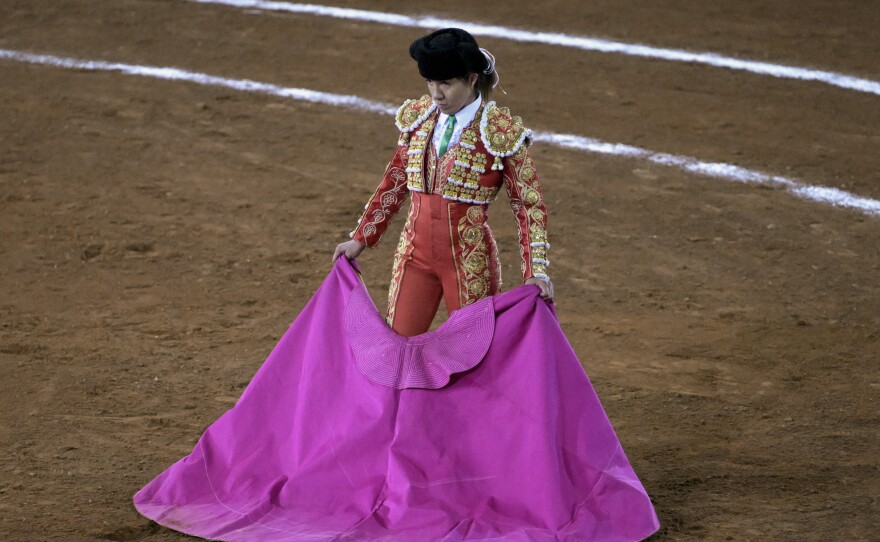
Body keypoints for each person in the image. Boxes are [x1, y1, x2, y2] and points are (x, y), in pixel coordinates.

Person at [332, 27, 554, 337]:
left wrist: (536, 271)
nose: (436, 94)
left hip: (469, 261)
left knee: (475, 355)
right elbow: (396, 180)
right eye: (430, 83)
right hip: (414, 256)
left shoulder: (501, 134)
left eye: (446, 84)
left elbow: (528, 204)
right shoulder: (419, 120)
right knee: (398, 346)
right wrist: (362, 237)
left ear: (472, 78)